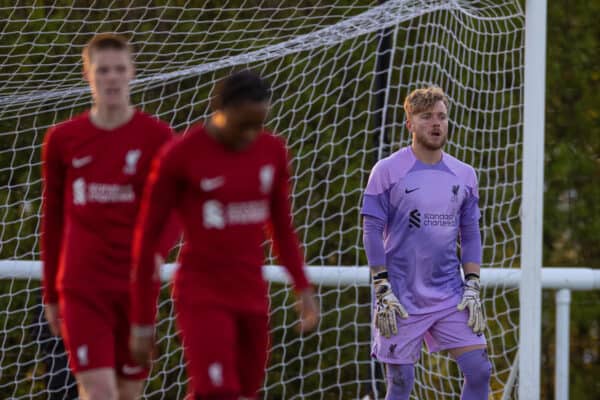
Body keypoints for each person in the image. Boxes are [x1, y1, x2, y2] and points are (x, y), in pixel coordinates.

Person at [129, 70, 320, 400]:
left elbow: (281, 227)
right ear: (221, 109)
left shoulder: (271, 151)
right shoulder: (181, 155)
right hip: (201, 292)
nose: (251, 134)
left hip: (250, 292)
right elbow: (146, 240)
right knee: (217, 391)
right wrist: (142, 321)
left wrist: (302, 286)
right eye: (244, 124)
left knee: (244, 393)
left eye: (258, 124)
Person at [41, 33, 178, 400]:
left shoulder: (158, 136)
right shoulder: (63, 139)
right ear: (88, 74)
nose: (112, 77)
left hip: (135, 289)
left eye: (119, 69)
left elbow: (177, 208)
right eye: (102, 70)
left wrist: (156, 252)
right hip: (82, 286)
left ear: (132, 73)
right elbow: (52, 220)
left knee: (127, 393)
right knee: (98, 391)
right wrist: (50, 293)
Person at [361, 87, 492, 399]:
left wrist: (472, 285)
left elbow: (471, 233)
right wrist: (382, 287)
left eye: (442, 117)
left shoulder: (464, 174)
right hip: (400, 297)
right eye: (427, 117)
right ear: (410, 124)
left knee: (480, 370)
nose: (436, 123)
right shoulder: (387, 171)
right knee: (402, 382)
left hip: (450, 294)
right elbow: (371, 230)